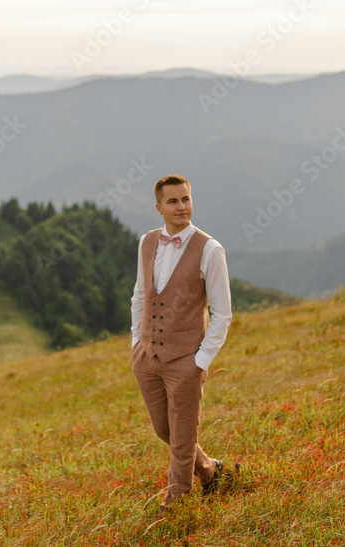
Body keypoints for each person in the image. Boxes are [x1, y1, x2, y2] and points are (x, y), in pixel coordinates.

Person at [130, 174, 233, 516]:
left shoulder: (210, 249)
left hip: (186, 361)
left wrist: (200, 362)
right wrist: (136, 342)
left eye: (186, 199)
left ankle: (176, 510)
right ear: (158, 207)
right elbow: (141, 296)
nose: (181, 207)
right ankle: (211, 471)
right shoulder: (147, 242)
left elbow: (222, 314)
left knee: (181, 441)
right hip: (147, 357)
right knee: (166, 431)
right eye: (173, 201)